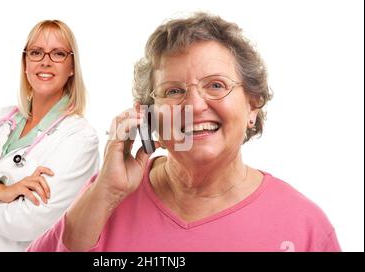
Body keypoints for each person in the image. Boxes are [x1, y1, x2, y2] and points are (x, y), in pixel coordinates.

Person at [27, 13, 341, 252]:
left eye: (216, 85)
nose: (194, 104)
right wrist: (106, 194)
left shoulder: (305, 225)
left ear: (253, 105)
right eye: (174, 90)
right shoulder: (106, 193)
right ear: (148, 114)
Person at [0, 20, 99, 252]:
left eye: (57, 54)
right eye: (36, 53)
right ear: (25, 63)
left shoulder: (79, 138)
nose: (45, 61)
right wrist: (2, 192)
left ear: (72, 67)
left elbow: (30, 221)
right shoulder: (3, 120)